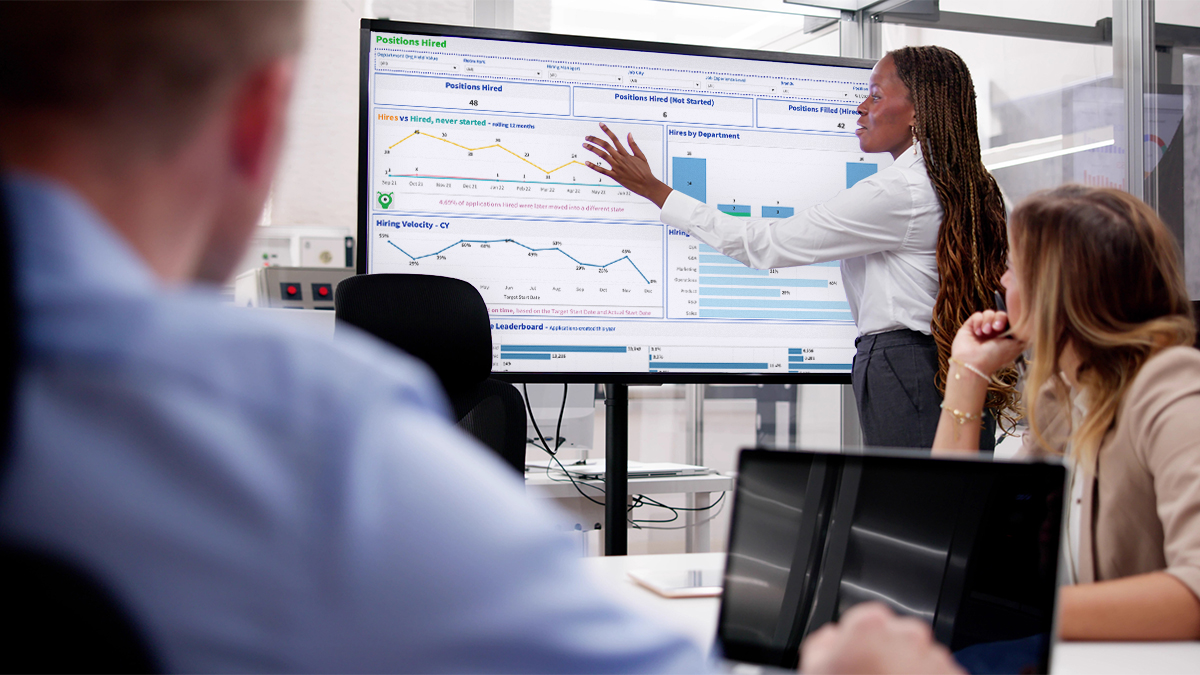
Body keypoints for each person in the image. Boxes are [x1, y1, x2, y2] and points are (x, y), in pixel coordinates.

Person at [0, 1, 962, 671]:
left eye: (873, 92)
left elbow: (774, 243)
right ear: (258, 123)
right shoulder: (302, 437)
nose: (858, 105)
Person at [583, 46, 1017, 450]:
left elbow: (763, 245)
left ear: (917, 111)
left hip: (904, 369)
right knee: (953, 512)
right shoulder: (978, 187)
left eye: (875, 95)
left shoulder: (898, 190)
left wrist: (658, 192)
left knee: (915, 512)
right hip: (953, 365)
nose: (861, 107)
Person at [932, 185, 1200, 640]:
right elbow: (956, 535)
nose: (1002, 283)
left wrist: (1015, 609)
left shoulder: (1172, 388)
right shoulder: (1065, 398)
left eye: (1014, 268)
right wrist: (968, 372)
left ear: (1057, 290)